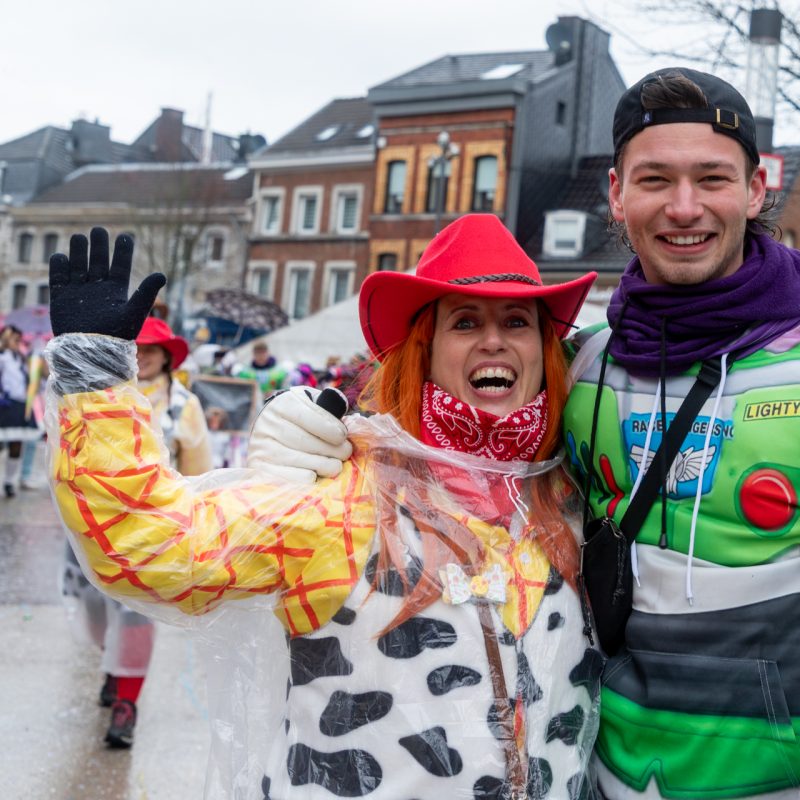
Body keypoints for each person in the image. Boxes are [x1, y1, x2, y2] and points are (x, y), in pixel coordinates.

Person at [252, 68, 800, 799]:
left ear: (758, 188)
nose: (685, 206)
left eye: (712, 179)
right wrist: (325, 440)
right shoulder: (576, 370)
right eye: (656, 179)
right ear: (616, 194)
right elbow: (445, 439)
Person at [44, 220, 600, 797]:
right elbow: (154, 543)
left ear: (544, 349)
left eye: (517, 322)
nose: (494, 341)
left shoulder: (573, 498)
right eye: (465, 322)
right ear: (425, 351)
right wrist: (95, 378)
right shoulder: (344, 496)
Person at [60, 315, 213, 748]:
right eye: (135, 348)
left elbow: (200, 470)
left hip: (150, 538)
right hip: (90, 531)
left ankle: (127, 702)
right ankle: (113, 665)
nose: (141, 356)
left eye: (150, 349)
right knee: (92, 612)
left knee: (135, 618)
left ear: (166, 357)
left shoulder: (185, 405)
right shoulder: (99, 397)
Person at [0, 324, 40, 497]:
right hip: (4, 404)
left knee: (17, 445)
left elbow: (35, 378)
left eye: (19, 338)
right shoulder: (2, 357)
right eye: (13, 337)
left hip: (19, 404)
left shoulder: (22, 358)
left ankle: (9, 482)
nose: (17, 340)